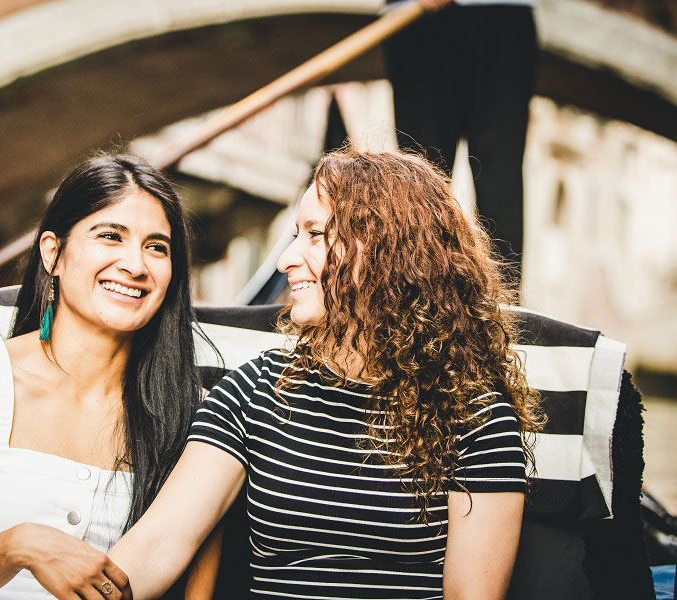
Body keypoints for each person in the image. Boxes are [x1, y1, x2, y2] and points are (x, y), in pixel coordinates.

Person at [102, 149, 546, 599]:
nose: (285, 260)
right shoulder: (251, 392)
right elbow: (158, 545)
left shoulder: (475, 416)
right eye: (296, 234)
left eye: (315, 234)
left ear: (388, 251)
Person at [0, 154, 219, 600]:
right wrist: (17, 547)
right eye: (110, 236)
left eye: (156, 247)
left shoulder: (194, 416)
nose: (136, 266)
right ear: (53, 253)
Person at [385, 0, 538, 286]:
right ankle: (412, 308)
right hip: (414, 18)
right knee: (417, 186)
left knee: (498, 183)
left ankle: (503, 311)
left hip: (500, 12)